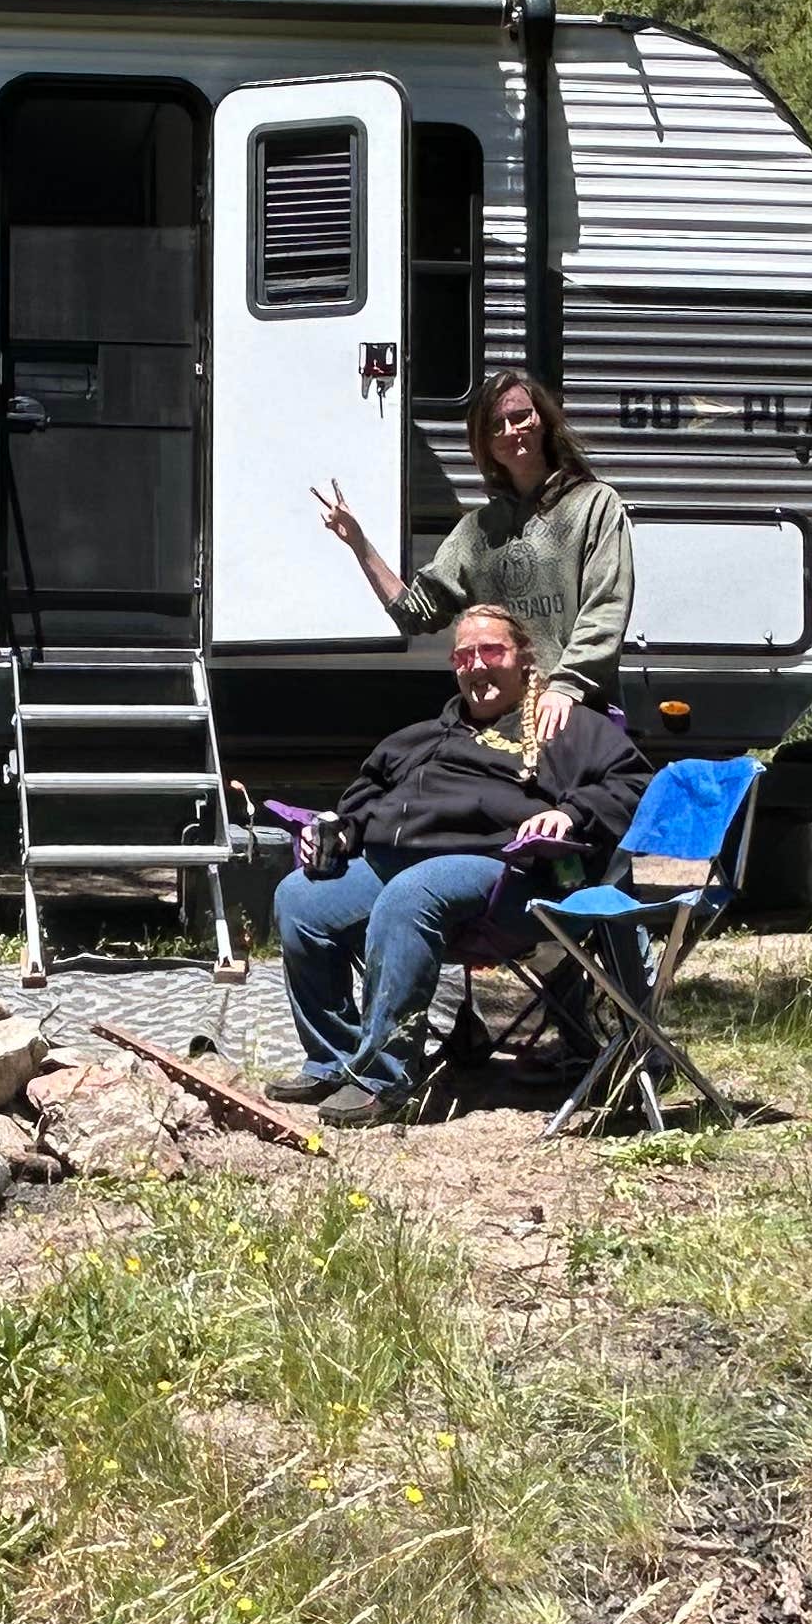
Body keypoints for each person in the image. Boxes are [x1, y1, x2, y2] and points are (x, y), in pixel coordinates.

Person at [268, 603, 650, 1126]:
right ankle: (333, 1057)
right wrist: (334, 830)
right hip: (392, 859)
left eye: (491, 651)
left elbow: (634, 786)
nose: (476, 665)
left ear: (524, 660)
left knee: (413, 892)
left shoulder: (563, 726)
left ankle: (383, 1077)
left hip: (508, 876)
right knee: (299, 897)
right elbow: (364, 799)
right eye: (463, 656)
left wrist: (570, 813)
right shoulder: (423, 737)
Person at [311, 369, 637, 752]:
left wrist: (567, 686)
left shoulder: (594, 504)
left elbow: (605, 608)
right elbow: (415, 613)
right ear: (484, 444)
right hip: (501, 723)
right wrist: (360, 544)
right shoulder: (477, 530)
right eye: (496, 425)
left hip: (574, 711)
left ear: (543, 421)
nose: (511, 431)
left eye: (520, 417)